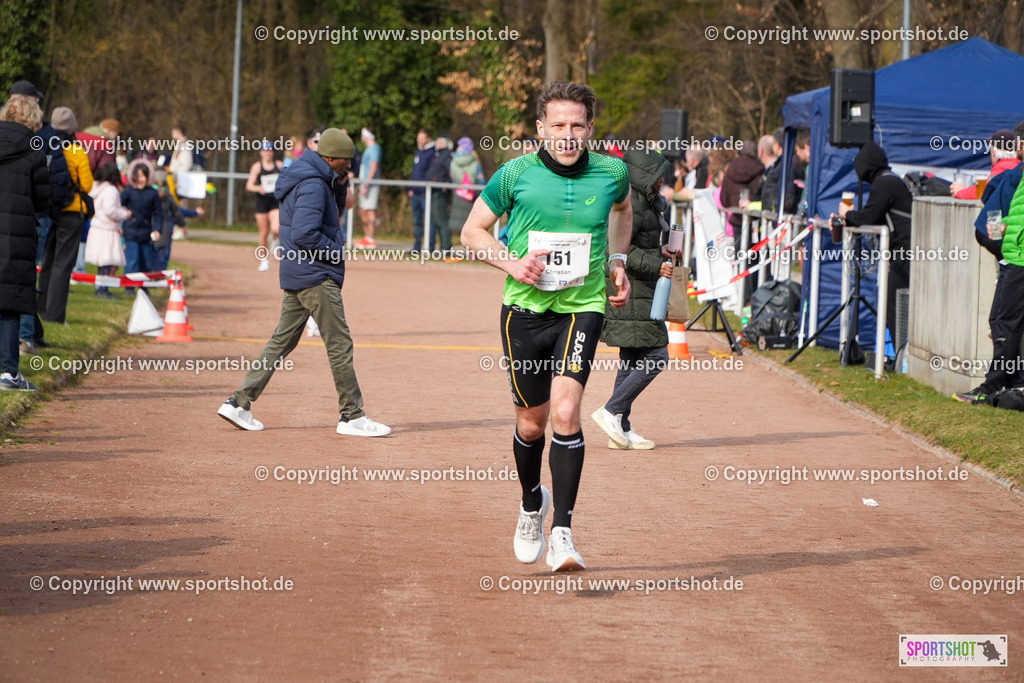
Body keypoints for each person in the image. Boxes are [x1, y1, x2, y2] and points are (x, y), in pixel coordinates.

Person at [460, 81, 632, 572]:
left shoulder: (612, 172)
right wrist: (513, 264)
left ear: (590, 129)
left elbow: (623, 210)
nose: (567, 134)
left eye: (577, 125)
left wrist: (617, 260)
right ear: (540, 128)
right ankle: (532, 504)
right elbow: (472, 232)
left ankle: (564, 534)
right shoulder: (515, 174)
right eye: (557, 125)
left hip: (583, 308)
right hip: (524, 312)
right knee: (531, 423)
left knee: (565, 412)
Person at [216, 128, 390, 437]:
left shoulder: (312, 177)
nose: (349, 166)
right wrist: (337, 252)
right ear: (331, 157)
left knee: (281, 341)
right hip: (316, 275)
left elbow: (330, 215)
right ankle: (352, 415)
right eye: (346, 162)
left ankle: (238, 402)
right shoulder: (312, 185)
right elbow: (305, 233)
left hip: (298, 272)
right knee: (339, 343)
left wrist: (338, 186)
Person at [592, 148, 677, 450]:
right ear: (644, 174)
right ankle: (611, 410)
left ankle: (622, 427)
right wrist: (658, 264)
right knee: (658, 356)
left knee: (630, 359)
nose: (662, 180)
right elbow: (620, 250)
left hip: (638, 291)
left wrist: (661, 252)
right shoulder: (635, 202)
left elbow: (636, 244)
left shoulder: (645, 201)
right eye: (657, 174)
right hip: (632, 290)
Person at [954, 123, 1024, 404]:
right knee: (1000, 321)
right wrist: (1003, 229)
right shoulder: (1017, 175)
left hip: (1018, 260)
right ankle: (1013, 382)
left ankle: (992, 387)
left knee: (1005, 323)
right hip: (1012, 258)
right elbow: (1011, 218)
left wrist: (1005, 238)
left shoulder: (1011, 175)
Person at [835, 141, 913, 345]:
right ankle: (900, 354)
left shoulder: (884, 183)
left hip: (903, 253)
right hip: (903, 252)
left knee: (894, 303)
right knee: (894, 302)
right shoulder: (890, 181)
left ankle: (901, 356)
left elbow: (869, 216)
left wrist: (847, 214)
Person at [14, 86, 69, 355]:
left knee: (22, 273)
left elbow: (58, 179)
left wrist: (49, 208)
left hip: (33, 215)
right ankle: (27, 335)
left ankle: (28, 335)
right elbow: (57, 179)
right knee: (24, 274)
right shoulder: (41, 138)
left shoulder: (47, 138)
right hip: (30, 215)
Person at [0, 94, 49, 390]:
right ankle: (8, 372)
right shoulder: (35, 151)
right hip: (16, 233)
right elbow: (42, 199)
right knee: (9, 302)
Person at [37, 106, 92, 325]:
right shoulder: (77, 150)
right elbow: (87, 185)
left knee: (47, 260)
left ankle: (40, 307)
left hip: (49, 209)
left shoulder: (46, 145)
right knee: (63, 263)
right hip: (71, 211)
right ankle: (55, 314)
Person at [85, 162, 130, 299]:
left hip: (97, 227)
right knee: (107, 261)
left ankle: (100, 287)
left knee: (103, 262)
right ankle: (102, 289)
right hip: (107, 230)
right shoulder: (111, 190)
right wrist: (125, 213)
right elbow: (110, 210)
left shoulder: (96, 188)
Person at [120, 162, 163, 284]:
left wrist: (157, 230)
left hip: (146, 233)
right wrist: (122, 219)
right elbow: (117, 206)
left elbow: (158, 213)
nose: (140, 179)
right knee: (132, 260)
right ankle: (129, 287)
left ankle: (144, 286)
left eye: (143, 176)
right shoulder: (128, 192)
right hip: (131, 232)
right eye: (138, 176)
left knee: (147, 261)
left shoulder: (152, 193)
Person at [246, 142, 283, 271]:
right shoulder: (257, 167)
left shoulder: (279, 165)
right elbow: (249, 185)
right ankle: (264, 259)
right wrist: (259, 188)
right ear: (261, 152)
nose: (268, 152)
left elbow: (285, 181)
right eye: (265, 150)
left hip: (275, 201)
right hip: (262, 202)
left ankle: (275, 241)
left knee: (276, 229)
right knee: (263, 232)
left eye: (270, 150)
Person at [449, 136, 484, 241]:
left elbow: (452, 179)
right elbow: (481, 180)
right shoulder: (475, 162)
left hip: (458, 194)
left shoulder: (453, 162)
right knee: (473, 225)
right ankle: (471, 250)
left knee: (460, 225)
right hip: (472, 196)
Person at [355, 126, 381, 248]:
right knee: (363, 210)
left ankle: (371, 238)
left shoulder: (374, 149)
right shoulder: (369, 149)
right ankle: (367, 237)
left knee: (370, 210)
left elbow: (373, 167)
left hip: (370, 185)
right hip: (364, 184)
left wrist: (366, 184)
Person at [427, 134, 453, 253]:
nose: (435, 144)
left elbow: (450, 171)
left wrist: (445, 184)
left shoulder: (446, 155)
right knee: (437, 220)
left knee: (442, 220)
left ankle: (446, 247)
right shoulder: (438, 155)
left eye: (437, 142)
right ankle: (442, 246)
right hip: (433, 191)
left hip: (440, 193)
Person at [409, 128, 433, 252]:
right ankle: (417, 246)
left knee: (429, 221)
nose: (419, 140)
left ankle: (430, 247)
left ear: (428, 139)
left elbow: (429, 173)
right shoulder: (418, 152)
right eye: (418, 138)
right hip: (415, 193)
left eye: (422, 138)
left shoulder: (432, 152)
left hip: (425, 193)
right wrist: (411, 188)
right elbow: (415, 171)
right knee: (417, 221)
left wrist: (424, 189)